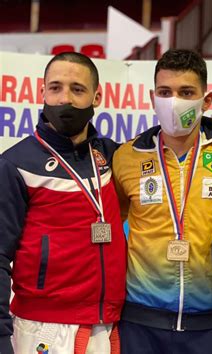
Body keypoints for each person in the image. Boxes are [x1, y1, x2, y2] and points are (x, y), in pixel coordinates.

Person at [113, 48, 212, 354]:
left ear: (207, 100)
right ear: (153, 97)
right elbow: (110, 223)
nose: (174, 101)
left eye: (186, 92)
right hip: (140, 322)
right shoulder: (126, 157)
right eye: (165, 92)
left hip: (211, 325)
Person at [0, 52, 127, 354]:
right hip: (41, 327)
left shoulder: (112, 157)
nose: (64, 99)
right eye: (55, 87)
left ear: (97, 96)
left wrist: (211, 129)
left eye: (77, 89)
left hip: (107, 325)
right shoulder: (14, 164)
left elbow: (162, 145)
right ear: (42, 92)